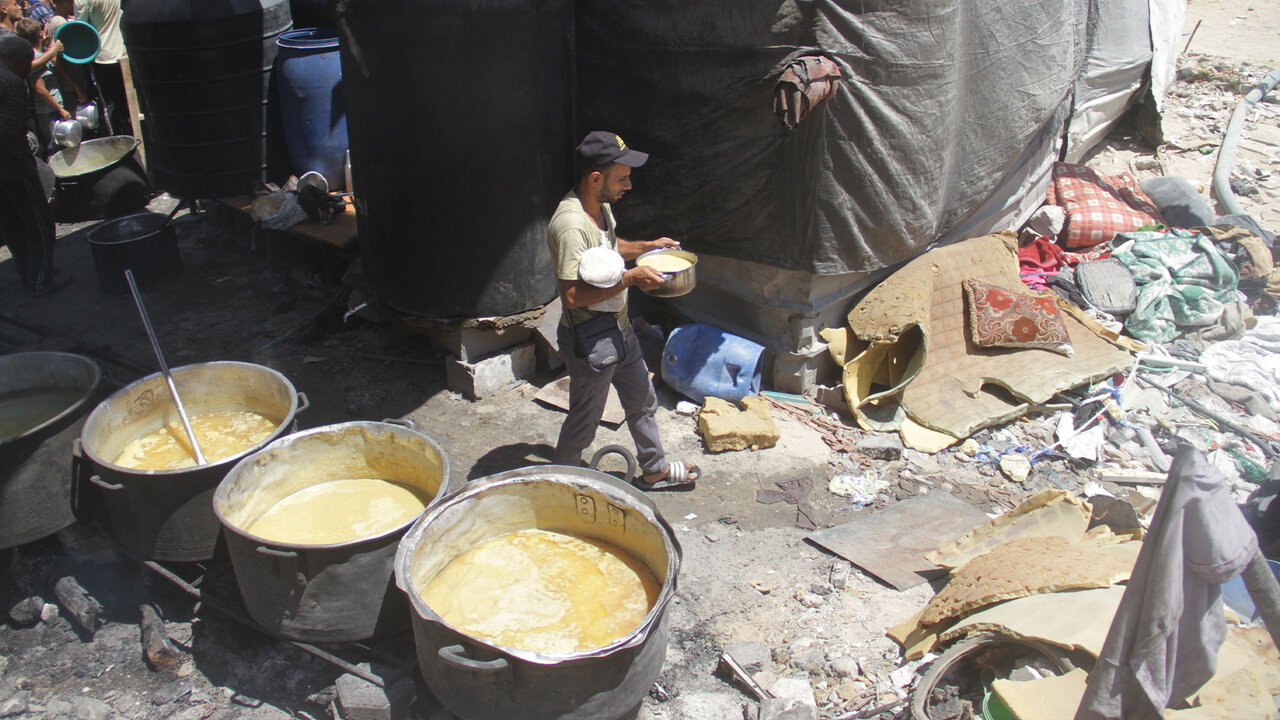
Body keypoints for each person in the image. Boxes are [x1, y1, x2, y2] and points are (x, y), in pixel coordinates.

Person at [547, 130, 700, 490]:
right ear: (595, 178)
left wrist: (647, 246)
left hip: (619, 328)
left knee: (642, 399)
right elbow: (572, 296)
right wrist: (630, 279)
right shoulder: (570, 225)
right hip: (590, 340)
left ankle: (654, 469)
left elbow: (610, 248)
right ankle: (562, 483)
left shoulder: (601, 208)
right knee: (585, 419)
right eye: (622, 178)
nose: (629, 185)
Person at [0, 33, 67, 295]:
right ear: (20, 62)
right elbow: (7, 131)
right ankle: (41, 281)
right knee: (40, 222)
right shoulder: (13, 83)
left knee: (12, 222)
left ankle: (29, 272)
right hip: (13, 165)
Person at [15, 17, 67, 153]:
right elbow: (40, 89)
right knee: (54, 149)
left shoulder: (38, 54)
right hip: (48, 111)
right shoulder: (37, 57)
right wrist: (60, 109)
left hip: (50, 110)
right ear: (41, 34)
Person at [73, 0, 125, 134]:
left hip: (102, 57)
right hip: (124, 51)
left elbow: (81, 30)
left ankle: (116, 138)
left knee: (110, 103)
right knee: (128, 99)